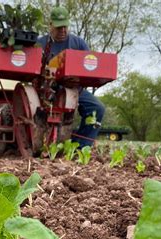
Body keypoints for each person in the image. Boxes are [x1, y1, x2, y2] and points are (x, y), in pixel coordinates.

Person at [37, 6, 106, 148]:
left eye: (65, 27)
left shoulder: (78, 43)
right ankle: (37, 143)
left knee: (97, 108)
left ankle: (81, 147)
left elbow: (88, 66)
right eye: (58, 27)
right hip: (46, 90)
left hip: (74, 89)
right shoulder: (41, 43)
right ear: (51, 26)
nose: (62, 30)